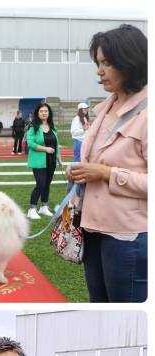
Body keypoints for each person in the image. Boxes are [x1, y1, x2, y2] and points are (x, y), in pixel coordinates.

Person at [69, 24, 147, 303]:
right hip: (91, 229)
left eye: (107, 63)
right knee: (98, 303)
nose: (99, 71)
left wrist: (106, 173)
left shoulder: (148, 114)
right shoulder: (105, 108)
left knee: (125, 306)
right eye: (98, 63)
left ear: (130, 62)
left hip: (127, 237)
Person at [25, 102, 62, 220]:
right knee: (40, 184)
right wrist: (45, 149)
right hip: (38, 161)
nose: (44, 113)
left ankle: (44, 207)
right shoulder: (33, 127)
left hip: (51, 161)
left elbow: (56, 144)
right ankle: (32, 209)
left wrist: (59, 157)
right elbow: (30, 143)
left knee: (47, 184)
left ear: (49, 113)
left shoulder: (52, 127)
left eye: (46, 111)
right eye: (41, 111)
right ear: (37, 113)